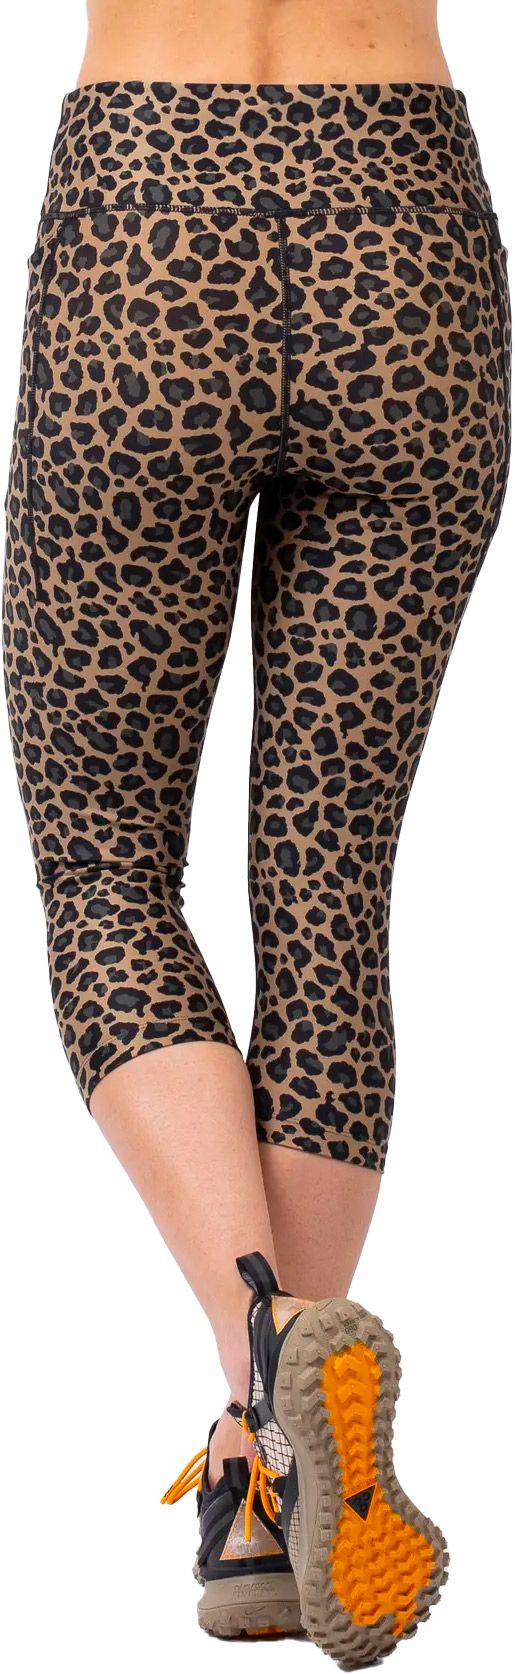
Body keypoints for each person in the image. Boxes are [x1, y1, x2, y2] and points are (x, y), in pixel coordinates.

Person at [2, 0, 510, 1663]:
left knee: (103, 862)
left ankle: (268, 1352)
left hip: (150, 213)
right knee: (327, 881)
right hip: (406, 228)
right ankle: (267, 1470)